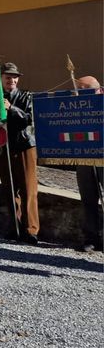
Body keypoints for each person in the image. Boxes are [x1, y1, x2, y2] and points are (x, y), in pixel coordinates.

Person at [0, 62, 39, 244]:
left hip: (24, 145)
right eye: (8, 77)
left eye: (15, 78)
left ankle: (30, 229)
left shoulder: (26, 96)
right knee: (9, 188)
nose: (12, 81)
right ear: (1, 79)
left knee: (28, 188)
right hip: (5, 146)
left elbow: (29, 119)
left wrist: (11, 109)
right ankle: (14, 226)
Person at [74, 76, 103, 252]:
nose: (79, 93)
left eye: (83, 90)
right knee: (88, 198)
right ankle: (92, 238)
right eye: (78, 90)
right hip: (84, 156)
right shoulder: (76, 105)